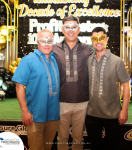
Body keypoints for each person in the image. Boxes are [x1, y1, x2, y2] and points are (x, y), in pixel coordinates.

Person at [12, 29, 60, 150]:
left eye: (49, 40)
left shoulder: (54, 60)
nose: (46, 43)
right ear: (37, 42)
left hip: (54, 116)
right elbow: (19, 87)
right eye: (43, 40)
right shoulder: (27, 60)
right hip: (35, 116)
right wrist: (24, 111)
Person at [85, 27, 130, 150]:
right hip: (91, 114)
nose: (98, 41)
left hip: (112, 115)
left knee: (112, 147)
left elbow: (126, 85)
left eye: (101, 38)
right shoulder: (88, 60)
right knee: (95, 147)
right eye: (95, 38)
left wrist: (124, 110)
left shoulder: (117, 61)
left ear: (107, 39)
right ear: (92, 40)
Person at [53, 15, 93, 150]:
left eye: (74, 27)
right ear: (62, 30)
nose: (71, 30)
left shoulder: (88, 49)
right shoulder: (53, 49)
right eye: (67, 27)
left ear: (79, 29)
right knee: (62, 138)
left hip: (82, 102)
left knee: (78, 138)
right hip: (60, 101)